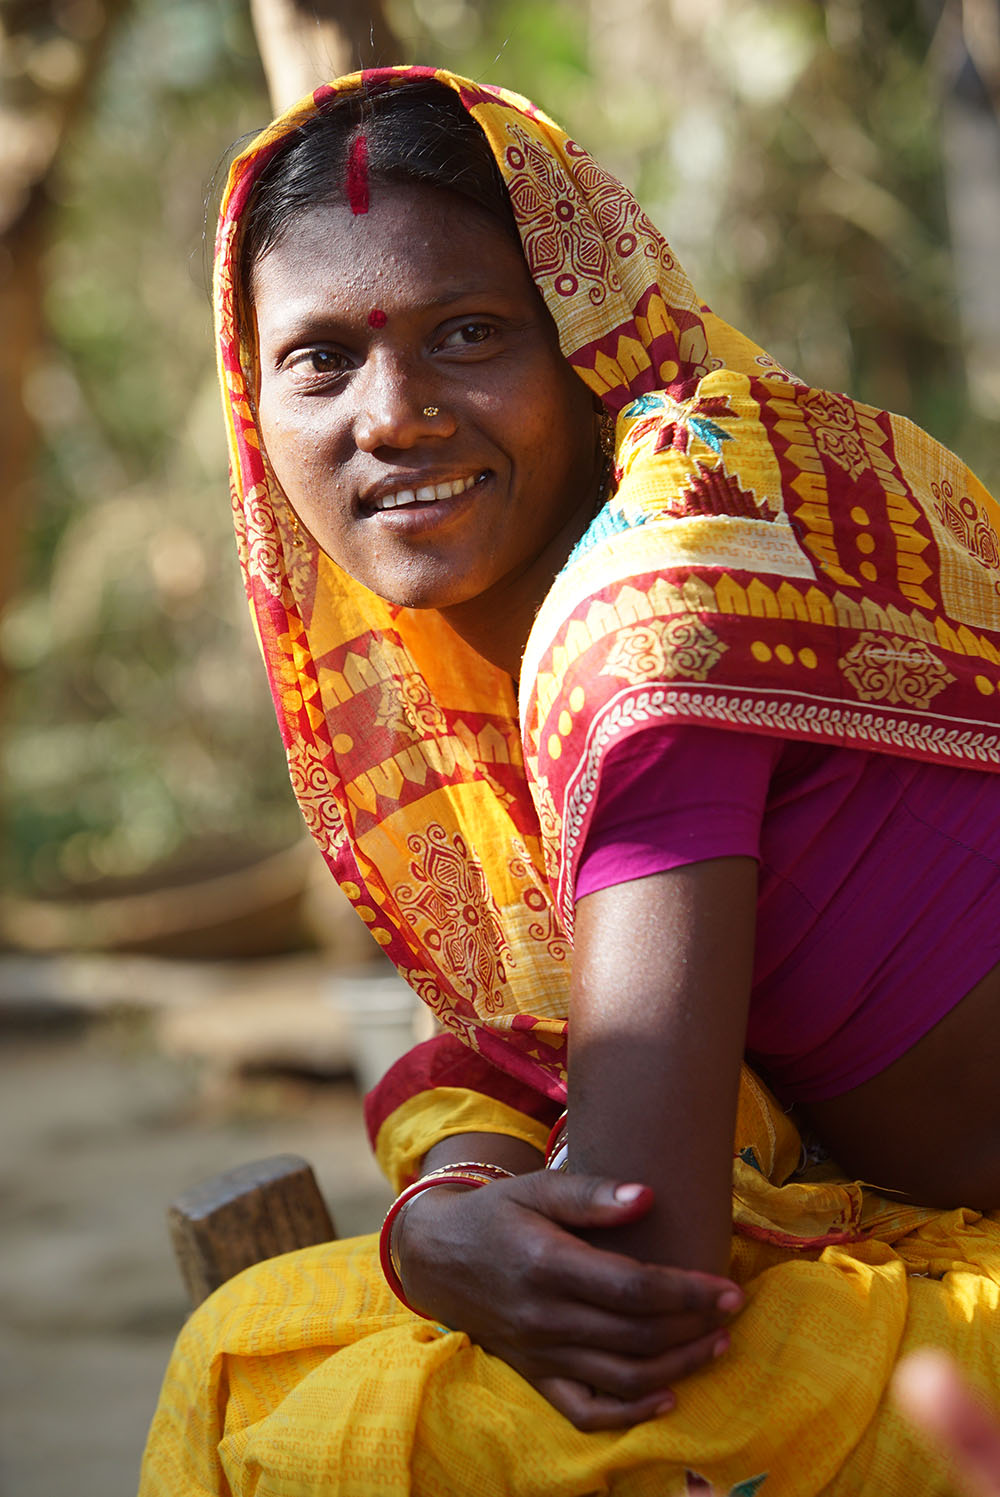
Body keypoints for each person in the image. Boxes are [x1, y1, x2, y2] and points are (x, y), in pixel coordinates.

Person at [140, 66, 1000, 1495]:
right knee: (249, 1350)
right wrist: (451, 1200)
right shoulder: (517, 635)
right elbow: (521, 1042)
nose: (395, 414)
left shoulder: (655, 608)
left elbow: (635, 1270)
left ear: (586, 353)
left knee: (287, 1411)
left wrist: (426, 1244)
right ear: (254, 399)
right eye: (321, 360)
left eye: (468, 334)